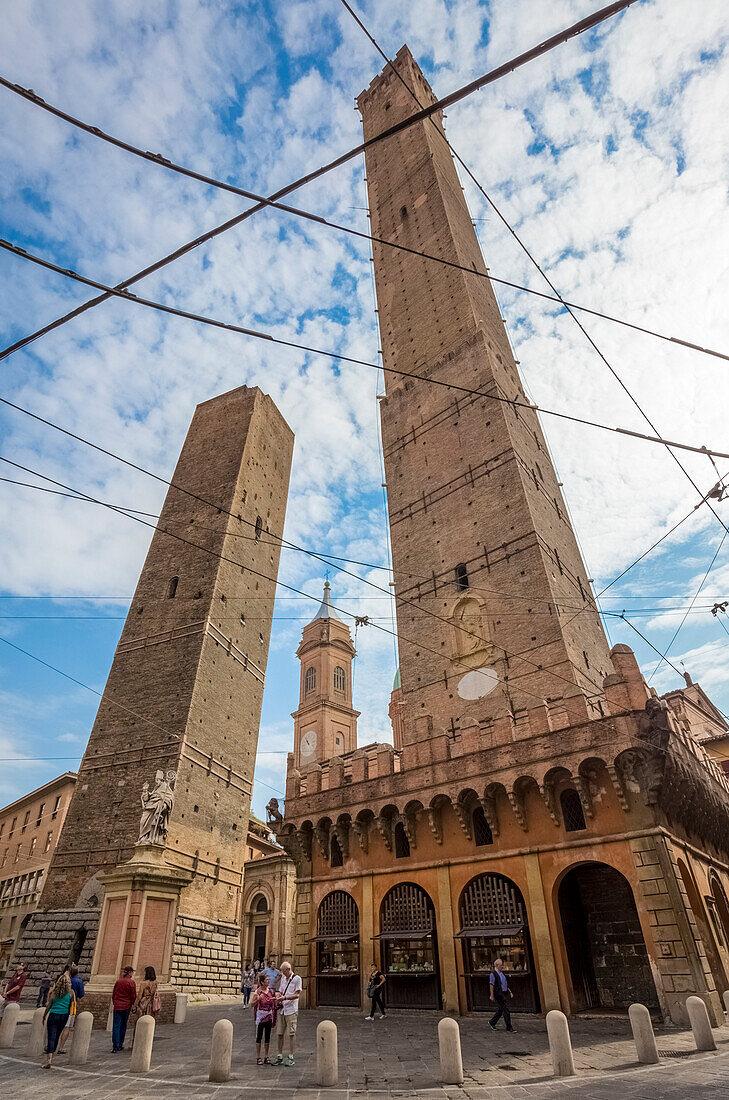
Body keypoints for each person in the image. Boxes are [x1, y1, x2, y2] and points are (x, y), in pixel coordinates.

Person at [43, 969, 75, 1069]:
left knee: (51, 1036)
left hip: (53, 1015)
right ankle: (53, 1053)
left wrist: (44, 1016)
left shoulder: (54, 992)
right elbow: (71, 1005)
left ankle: (49, 1058)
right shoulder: (71, 993)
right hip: (64, 1016)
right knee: (57, 1036)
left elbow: (49, 1005)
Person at [272, 961, 302, 1066]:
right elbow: (280, 991)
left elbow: (297, 995)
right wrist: (278, 995)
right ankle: (279, 1056)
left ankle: (291, 1056)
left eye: (283, 971)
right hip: (282, 1009)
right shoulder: (283, 979)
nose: (282, 973)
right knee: (279, 1033)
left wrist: (284, 997)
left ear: (288, 969)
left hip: (291, 1010)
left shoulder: (297, 979)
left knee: (291, 1034)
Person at [56, 964, 85, 1054]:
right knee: (66, 1027)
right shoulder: (78, 981)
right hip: (70, 1006)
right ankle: (60, 1047)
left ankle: (53, 1046)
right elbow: (81, 994)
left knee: (57, 1026)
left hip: (57, 1005)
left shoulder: (61, 980)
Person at [250, 973, 276, 1065]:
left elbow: (273, 1002)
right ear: (262, 982)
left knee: (267, 1037)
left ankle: (266, 1056)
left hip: (269, 1016)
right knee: (259, 1036)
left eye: (268, 980)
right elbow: (252, 1004)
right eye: (266, 980)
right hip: (260, 1017)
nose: (268, 982)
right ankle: (258, 1057)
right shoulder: (257, 992)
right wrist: (258, 999)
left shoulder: (270, 991)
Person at [111, 966, 136, 1052]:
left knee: (116, 1025)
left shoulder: (118, 982)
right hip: (126, 1006)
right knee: (123, 1025)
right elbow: (133, 996)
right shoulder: (131, 982)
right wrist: (133, 1005)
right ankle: (120, 1043)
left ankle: (115, 1046)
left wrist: (115, 1003)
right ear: (130, 973)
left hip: (117, 1006)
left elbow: (114, 994)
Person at [489, 958, 515, 1032]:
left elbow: (504, 984)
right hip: (498, 994)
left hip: (503, 993)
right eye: (501, 965)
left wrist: (509, 991)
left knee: (501, 1010)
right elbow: (491, 985)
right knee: (506, 1010)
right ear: (497, 965)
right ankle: (509, 1027)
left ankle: (492, 1022)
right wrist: (492, 995)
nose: (502, 967)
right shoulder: (493, 974)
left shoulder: (501, 974)